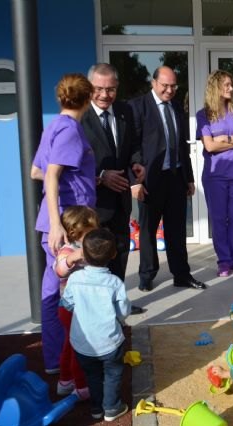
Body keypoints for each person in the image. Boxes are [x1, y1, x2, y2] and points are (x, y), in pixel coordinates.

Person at [31, 73, 96, 374]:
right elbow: (51, 174)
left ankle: (56, 361)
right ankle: (73, 364)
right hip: (67, 224)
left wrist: (80, 179)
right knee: (69, 294)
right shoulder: (69, 130)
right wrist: (58, 225)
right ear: (88, 98)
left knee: (52, 291)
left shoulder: (53, 126)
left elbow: (36, 171)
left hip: (58, 221)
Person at [128, 66, 207, 291]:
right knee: (147, 229)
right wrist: (136, 179)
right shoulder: (138, 106)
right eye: (165, 85)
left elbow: (181, 145)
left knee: (176, 230)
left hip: (176, 177)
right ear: (154, 83)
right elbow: (132, 146)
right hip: (150, 179)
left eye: (173, 86)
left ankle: (181, 274)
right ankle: (147, 275)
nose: (169, 90)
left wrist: (189, 178)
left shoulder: (175, 107)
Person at [82, 62, 145, 314]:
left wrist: (137, 163)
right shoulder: (80, 117)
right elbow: (72, 161)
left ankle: (118, 303)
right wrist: (100, 175)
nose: (105, 95)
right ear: (89, 88)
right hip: (94, 205)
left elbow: (133, 145)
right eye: (99, 89)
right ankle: (98, 308)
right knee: (96, 258)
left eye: (110, 89)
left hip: (120, 200)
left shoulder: (124, 111)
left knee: (120, 251)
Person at [61, 228, 131, 422]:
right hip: (110, 341)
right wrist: (120, 319)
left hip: (83, 343)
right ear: (114, 254)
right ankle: (112, 407)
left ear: (83, 252)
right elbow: (123, 311)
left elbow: (66, 303)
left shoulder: (75, 279)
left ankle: (96, 408)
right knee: (113, 374)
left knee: (92, 376)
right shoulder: (114, 283)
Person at [196, 70, 233, 277]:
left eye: (231, 84)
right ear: (216, 87)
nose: (231, 88)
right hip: (215, 177)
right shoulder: (203, 115)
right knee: (219, 220)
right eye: (226, 85)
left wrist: (224, 138)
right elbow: (209, 146)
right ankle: (224, 262)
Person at [53, 205, 100, 401]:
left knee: (70, 345)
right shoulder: (68, 249)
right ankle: (81, 387)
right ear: (74, 232)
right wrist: (73, 257)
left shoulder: (86, 246)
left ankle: (65, 382)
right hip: (72, 309)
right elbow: (59, 269)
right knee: (79, 348)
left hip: (79, 307)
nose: (92, 236)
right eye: (88, 233)